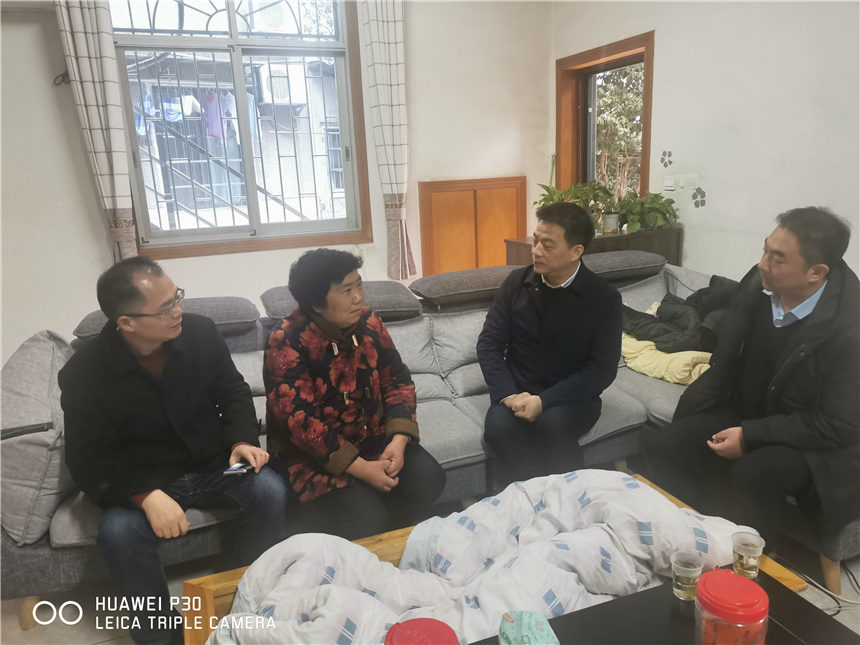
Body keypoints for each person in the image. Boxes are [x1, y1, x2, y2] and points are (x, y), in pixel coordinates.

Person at [59, 257, 287, 645]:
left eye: (177, 297)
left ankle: (240, 601)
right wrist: (145, 496)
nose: (178, 311)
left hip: (216, 467)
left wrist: (242, 442)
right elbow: (87, 456)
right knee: (119, 531)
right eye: (165, 308)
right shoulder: (85, 371)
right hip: (143, 480)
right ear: (127, 322)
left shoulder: (201, 332)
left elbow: (233, 393)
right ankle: (161, 636)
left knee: (269, 490)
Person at [643, 207, 859, 546]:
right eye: (764, 250)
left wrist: (751, 436)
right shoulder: (758, 286)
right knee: (665, 445)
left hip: (815, 442)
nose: (762, 264)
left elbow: (837, 425)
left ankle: (747, 564)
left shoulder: (850, 329)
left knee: (754, 473)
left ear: (816, 272)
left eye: (777, 258)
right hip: (748, 413)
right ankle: (691, 540)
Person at [264, 249, 446, 540]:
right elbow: (301, 424)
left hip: (371, 439)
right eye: (346, 290)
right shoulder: (286, 341)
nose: (358, 297)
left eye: (359, 285)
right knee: (366, 517)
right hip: (311, 459)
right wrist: (362, 469)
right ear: (316, 303)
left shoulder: (369, 323)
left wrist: (398, 441)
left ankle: (394, 544)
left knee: (428, 478)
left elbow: (397, 381)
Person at [477, 201, 622, 486]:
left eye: (547, 244)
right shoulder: (516, 283)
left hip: (571, 397)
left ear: (576, 251)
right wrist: (509, 395)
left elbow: (602, 369)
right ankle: (537, 496)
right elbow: (489, 344)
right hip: (517, 390)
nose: (536, 251)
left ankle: (571, 495)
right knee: (498, 429)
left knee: (551, 426)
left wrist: (545, 401)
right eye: (535, 241)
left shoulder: (603, 298)